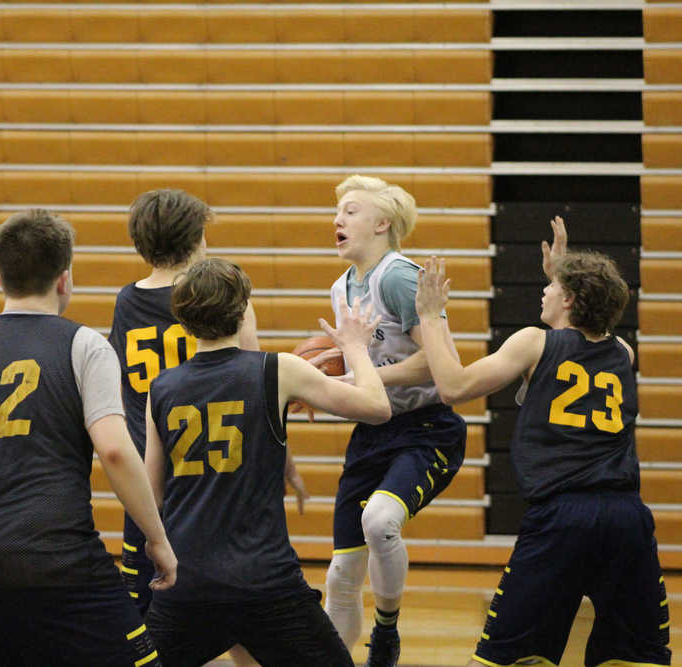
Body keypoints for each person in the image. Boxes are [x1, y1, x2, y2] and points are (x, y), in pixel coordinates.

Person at [0, 208, 177, 666]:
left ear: (0, 275)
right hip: (57, 562)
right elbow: (115, 451)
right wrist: (157, 537)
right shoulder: (84, 345)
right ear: (64, 279)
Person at [415, 218, 672, 667]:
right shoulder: (623, 354)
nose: (545, 291)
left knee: (509, 658)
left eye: (554, 288)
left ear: (570, 299)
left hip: (561, 518)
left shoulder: (534, 343)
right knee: (635, 659)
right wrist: (562, 273)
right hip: (626, 519)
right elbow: (586, 329)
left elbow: (454, 386)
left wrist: (430, 315)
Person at [144, 257, 392, 666]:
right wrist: (354, 348)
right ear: (242, 311)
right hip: (264, 580)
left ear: (182, 319)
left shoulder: (162, 387)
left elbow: (152, 493)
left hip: (190, 581)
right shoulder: (277, 370)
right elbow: (377, 406)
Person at [108, 188, 308, 619]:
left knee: (142, 609)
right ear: (197, 240)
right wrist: (287, 462)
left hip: (149, 479)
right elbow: (258, 391)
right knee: (239, 603)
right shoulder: (218, 297)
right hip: (215, 470)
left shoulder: (126, 302)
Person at [318, 175, 467, 667]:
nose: (338, 219)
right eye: (338, 211)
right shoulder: (341, 288)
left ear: (382, 223)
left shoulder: (397, 277)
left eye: (352, 211)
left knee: (380, 521)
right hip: (374, 432)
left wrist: (367, 372)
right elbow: (357, 362)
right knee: (339, 577)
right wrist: (320, 379)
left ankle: (386, 633)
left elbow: (442, 363)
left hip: (427, 427)